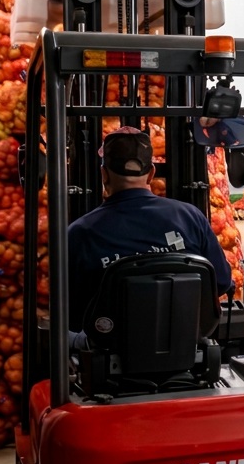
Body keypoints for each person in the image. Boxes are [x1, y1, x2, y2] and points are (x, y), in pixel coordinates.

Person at [66, 126, 234, 350]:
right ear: (152, 173)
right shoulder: (190, 217)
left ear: (103, 174)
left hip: (109, 353)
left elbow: (72, 311)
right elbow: (221, 282)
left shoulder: (80, 232)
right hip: (184, 346)